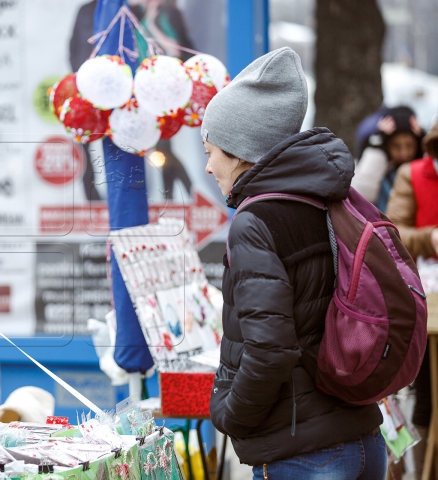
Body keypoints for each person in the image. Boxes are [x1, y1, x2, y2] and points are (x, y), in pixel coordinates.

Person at [203, 47, 385, 479]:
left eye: (211, 150)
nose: (208, 166)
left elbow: (270, 349)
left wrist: (232, 416)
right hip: (363, 439)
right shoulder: (327, 199)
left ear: (239, 149)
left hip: (302, 453)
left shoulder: (254, 221)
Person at [386, 119, 438, 478]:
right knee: (428, 396)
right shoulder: (413, 174)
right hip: (431, 301)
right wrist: (431, 238)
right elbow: (394, 231)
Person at [352, 105, 424, 212]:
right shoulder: (380, 170)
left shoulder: (422, 168)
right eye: (396, 146)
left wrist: (426, 145)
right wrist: (377, 146)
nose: (403, 153)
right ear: (386, 146)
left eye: (410, 145)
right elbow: (360, 195)